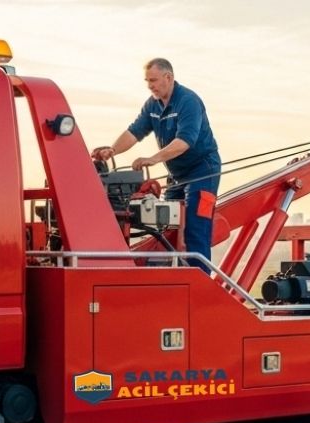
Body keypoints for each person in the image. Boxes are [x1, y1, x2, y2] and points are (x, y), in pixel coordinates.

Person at [93, 58, 220, 271]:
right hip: (176, 176)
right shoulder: (152, 104)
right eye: (147, 81)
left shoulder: (188, 101)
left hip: (203, 172)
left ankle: (200, 284)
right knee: (164, 227)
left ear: (168, 77)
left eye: (153, 80)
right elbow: (135, 131)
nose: (150, 85)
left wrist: (153, 158)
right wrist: (112, 150)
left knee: (196, 229)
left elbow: (185, 141)